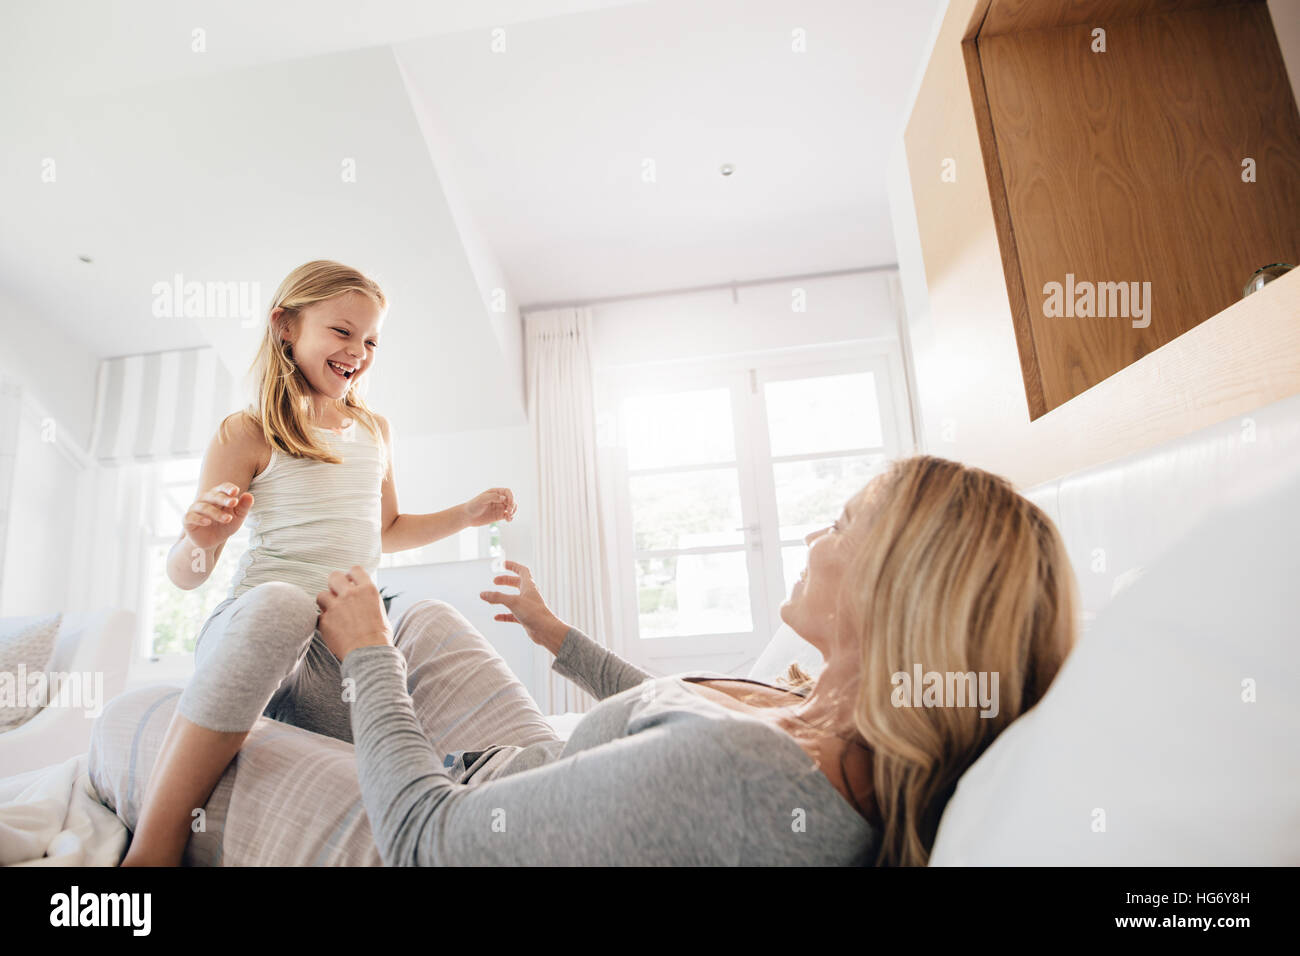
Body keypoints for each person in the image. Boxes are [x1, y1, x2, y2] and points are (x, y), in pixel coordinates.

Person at [94, 454, 1078, 866]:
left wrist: (367, 659)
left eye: (846, 522)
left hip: (440, 823)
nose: (819, 533)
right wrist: (557, 636)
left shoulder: (754, 782)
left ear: (899, 589)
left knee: (136, 715)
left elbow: (437, 842)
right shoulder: (812, 709)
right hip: (530, 766)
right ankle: (270, 666)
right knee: (426, 616)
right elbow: (667, 710)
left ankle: (149, 852)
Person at [118, 260, 518, 866]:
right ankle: (155, 844)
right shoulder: (248, 431)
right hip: (256, 636)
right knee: (283, 602)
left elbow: (385, 531)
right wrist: (203, 536)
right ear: (286, 325)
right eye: (342, 331)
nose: (358, 350)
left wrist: (466, 515)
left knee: (412, 619)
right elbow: (187, 574)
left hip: (333, 651)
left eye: (371, 340)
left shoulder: (374, 430)